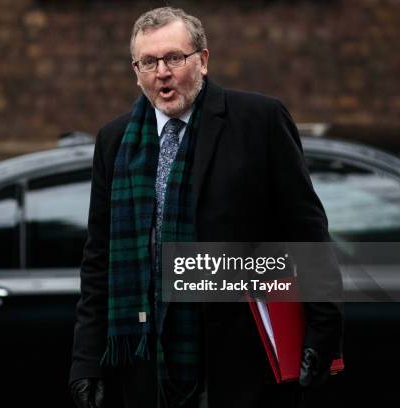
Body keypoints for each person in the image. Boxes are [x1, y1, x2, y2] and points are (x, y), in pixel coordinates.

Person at [70, 7, 343, 408]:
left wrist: (322, 334)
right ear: (136, 70)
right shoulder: (114, 141)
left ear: (203, 60)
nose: (162, 72)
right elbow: (99, 260)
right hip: (147, 359)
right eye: (149, 62)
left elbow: (307, 232)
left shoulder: (259, 120)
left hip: (241, 360)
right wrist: (87, 362)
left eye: (174, 58)